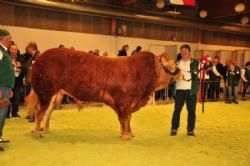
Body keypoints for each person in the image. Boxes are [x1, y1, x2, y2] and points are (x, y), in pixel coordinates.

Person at [170, 44, 199, 136]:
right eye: (182, 50)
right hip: (179, 90)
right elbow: (171, 77)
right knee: (177, 110)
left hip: (191, 90)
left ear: (189, 51)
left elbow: (203, 75)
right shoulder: (176, 63)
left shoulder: (196, 62)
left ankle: (190, 130)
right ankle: (174, 128)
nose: (183, 52)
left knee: (191, 111)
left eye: (185, 50)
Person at [0, 28, 15, 151]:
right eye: (9, 38)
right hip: (1, 88)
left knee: (3, 114)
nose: (10, 41)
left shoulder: (4, 52)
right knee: (0, 114)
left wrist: (9, 88)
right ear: (2, 39)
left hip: (5, 87)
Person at [7, 44, 26, 118]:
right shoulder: (7, 58)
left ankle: (15, 113)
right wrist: (13, 68)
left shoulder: (21, 58)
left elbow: (25, 68)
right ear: (9, 50)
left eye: (15, 49)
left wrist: (20, 67)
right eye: (12, 49)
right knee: (8, 97)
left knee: (16, 97)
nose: (14, 51)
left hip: (18, 81)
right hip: (8, 81)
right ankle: (7, 114)